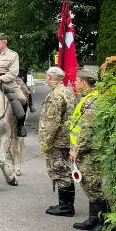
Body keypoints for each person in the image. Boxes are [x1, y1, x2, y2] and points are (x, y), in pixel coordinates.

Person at [69, 69, 108, 231]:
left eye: (77, 81)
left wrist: (77, 149)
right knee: (89, 185)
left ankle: (105, 224)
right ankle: (93, 219)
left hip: (89, 151)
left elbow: (88, 130)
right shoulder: (88, 98)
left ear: (84, 82)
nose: (75, 83)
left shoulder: (91, 101)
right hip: (85, 150)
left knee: (94, 186)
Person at [39, 66, 76, 216]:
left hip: (57, 140)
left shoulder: (55, 95)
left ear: (49, 77)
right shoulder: (68, 92)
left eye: (47, 76)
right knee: (65, 169)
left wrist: (46, 142)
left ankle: (66, 207)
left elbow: (52, 122)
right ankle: (66, 205)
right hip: (66, 139)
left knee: (59, 170)